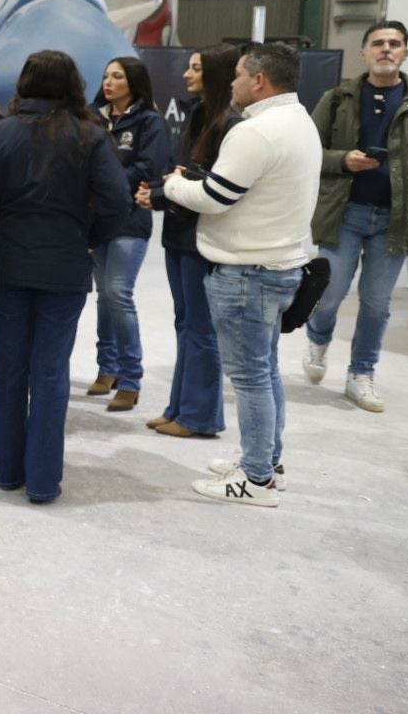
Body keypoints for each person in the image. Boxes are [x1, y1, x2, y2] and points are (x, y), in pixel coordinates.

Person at [162, 43, 321, 507]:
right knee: (265, 371)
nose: (229, 83)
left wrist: (174, 184)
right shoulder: (299, 122)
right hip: (276, 266)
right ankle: (266, 460)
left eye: (236, 75)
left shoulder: (258, 132)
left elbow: (215, 196)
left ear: (259, 81)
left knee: (251, 377)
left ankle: (255, 477)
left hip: (248, 271)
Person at [0, 50, 131, 504]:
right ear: (73, 85)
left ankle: (7, 472)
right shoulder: (91, 135)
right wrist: (87, 236)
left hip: (10, 262)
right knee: (51, 372)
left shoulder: (0, 134)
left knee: (7, 368)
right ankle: (42, 481)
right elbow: (117, 202)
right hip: (65, 263)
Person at [304, 21, 408, 412]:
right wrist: (343, 160)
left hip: (397, 217)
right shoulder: (337, 98)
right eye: (378, 43)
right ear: (363, 53)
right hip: (342, 213)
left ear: (406, 53)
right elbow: (309, 151)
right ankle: (318, 338)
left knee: (377, 303)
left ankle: (361, 373)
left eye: (394, 44)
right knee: (329, 295)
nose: (386, 49)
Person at [138, 44, 241, 438]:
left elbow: (208, 182)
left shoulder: (231, 124)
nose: (186, 74)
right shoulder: (200, 114)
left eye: (195, 68)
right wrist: (166, 188)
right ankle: (180, 408)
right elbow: (184, 172)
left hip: (205, 236)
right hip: (181, 232)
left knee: (200, 328)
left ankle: (200, 417)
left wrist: (165, 191)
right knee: (185, 323)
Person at [85, 57, 172, 412]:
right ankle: (108, 368)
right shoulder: (92, 117)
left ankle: (132, 378)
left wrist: (103, 177)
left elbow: (148, 169)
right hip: (97, 220)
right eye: (106, 75)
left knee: (119, 293)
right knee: (104, 296)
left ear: (133, 82)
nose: (109, 82)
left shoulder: (150, 122)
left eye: (117, 77)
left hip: (131, 221)